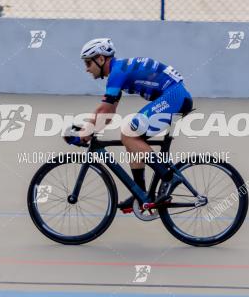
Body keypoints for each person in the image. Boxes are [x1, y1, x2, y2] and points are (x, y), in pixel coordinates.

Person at [76, 38, 193, 211]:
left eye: (88, 63)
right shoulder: (119, 71)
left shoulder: (117, 73)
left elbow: (103, 110)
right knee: (132, 138)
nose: (86, 69)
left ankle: (168, 178)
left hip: (174, 96)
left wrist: (85, 131)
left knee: (129, 133)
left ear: (100, 59)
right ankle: (141, 193)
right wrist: (90, 129)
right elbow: (107, 115)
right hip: (174, 95)